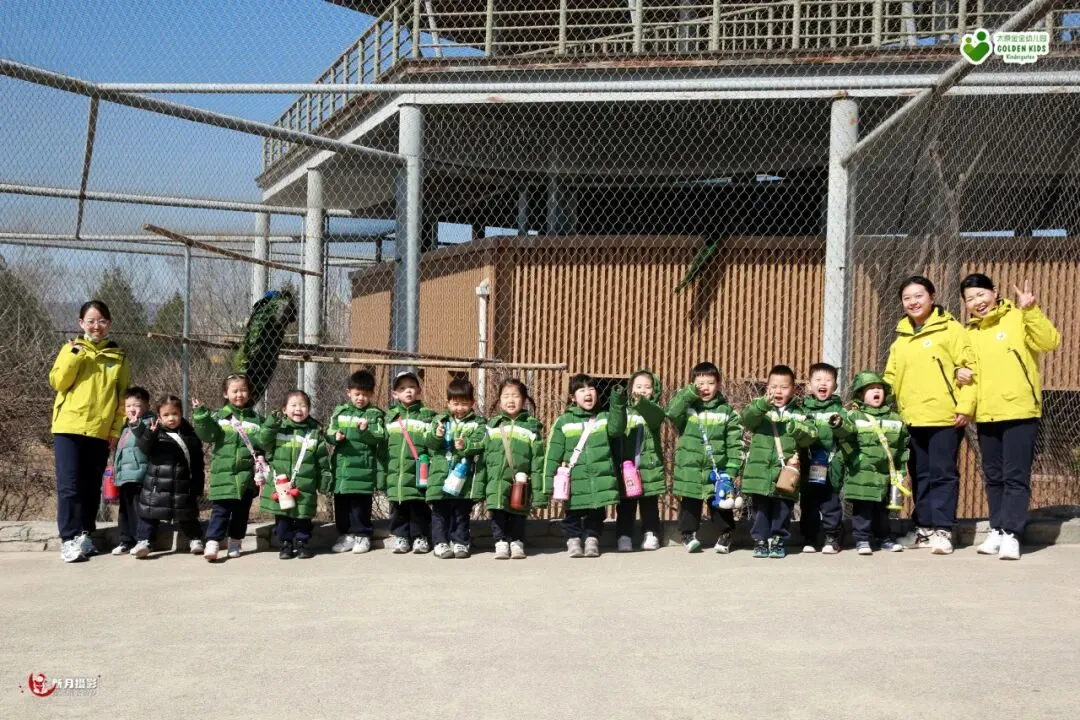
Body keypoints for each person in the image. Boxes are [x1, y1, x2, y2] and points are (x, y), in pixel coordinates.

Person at [958, 274, 1061, 561]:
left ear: (994, 292)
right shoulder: (970, 333)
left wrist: (1031, 310)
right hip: (987, 413)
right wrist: (958, 371)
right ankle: (998, 528)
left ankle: (1012, 533)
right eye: (970, 299)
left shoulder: (1017, 317)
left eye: (981, 294)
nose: (977, 302)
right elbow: (964, 367)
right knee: (993, 477)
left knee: (1016, 475)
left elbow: (1049, 341)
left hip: (1019, 410)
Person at [883, 276, 977, 555]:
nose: (913, 302)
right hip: (911, 418)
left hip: (945, 417)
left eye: (918, 296)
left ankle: (943, 530)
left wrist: (965, 406)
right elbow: (890, 376)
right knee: (919, 474)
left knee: (942, 473)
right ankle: (923, 528)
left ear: (932, 297)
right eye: (907, 298)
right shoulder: (901, 338)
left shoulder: (951, 329)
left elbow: (970, 368)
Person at [48, 299, 130, 563]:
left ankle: (84, 534)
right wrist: (75, 354)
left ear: (109, 324)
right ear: (81, 323)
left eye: (102, 321)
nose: (97, 326)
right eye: (91, 321)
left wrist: (115, 430)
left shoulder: (118, 356)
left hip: (99, 431)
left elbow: (122, 399)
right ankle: (68, 539)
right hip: (68, 428)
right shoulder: (70, 349)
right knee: (69, 486)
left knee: (91, 486)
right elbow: (58, 382)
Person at [662, 362, 743, 554]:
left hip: (716, 469)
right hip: (690, 468)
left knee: (720, 503)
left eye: (710, 383)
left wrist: (732, 468)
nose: (705, 388)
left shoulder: (726, 412)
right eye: (700, 384)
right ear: (692, 385)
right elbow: (671, 411)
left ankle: (726, 534)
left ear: (719, 384)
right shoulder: (687, 409)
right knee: (690, 503)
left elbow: (734, 442)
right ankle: (688, 535)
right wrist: (689, 393)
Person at [544, 374, 627, 558]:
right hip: (575, 480)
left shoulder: (604, 418)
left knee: (596, 513)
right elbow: (552, 455)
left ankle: (592, 539)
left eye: (591, 389)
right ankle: (573, 540)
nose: (588, 393)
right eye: (582, 390)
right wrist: (547, 484)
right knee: (572, 513)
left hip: (599, 479)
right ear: (573, 397)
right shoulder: (564, 422)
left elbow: (617, 428)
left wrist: (618, 401)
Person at [742, 365, 817, 559]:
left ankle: (778, 539)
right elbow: (747, 419)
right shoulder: (760, 408)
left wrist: (796, 428)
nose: (778, 391)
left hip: (786, 470)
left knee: (783, 507)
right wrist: (762, 405)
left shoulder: (800, 413)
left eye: (784, 387)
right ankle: (760, 540)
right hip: (760, 471)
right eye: (774, 386)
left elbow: (810, 436)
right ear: (767, 388)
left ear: (793, 389)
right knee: (760, 508)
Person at [831, 372, 908, 555]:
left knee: (882, 510)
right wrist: (856, 458)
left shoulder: (895, 418)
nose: (876, 391)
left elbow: (902, 446)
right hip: (862, 472)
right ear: (860, 394)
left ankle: (883, 538)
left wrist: (901, 470)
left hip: (885, 473)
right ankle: (862, 539)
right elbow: (845, 439)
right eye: (871, 389)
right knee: (863, 509)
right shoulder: (854, 416)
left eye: (879, 388)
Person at [192, 373, 266, 562]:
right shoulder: (219, 416)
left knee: (241, 513)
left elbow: (263, 443)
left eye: (243, 390)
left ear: (250, 393)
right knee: (220, 511)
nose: (239, 394)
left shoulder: (257, 420)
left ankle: (235, 542)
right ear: (226, 393)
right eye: (234, 391)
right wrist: (201, 415)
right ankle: (212, 542)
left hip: (246, 476)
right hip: (223, 475)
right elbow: (207, 435)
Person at [129, 395, 206, 559]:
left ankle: (195, 539)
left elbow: (198, 462)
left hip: (182, 483)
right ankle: (144, 541)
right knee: (149, 514)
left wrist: (198, 485)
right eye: (166, 415)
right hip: (156, 483)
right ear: (159, 416)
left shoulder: (190, 434)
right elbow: (144, 448)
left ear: (181, 413)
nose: (171, 418)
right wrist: (150, 434)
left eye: (175, 413)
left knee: (187, 513)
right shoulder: (154, 432)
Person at [259, 391, 332, 560]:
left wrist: (324, 481)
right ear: (284, 409)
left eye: (303, 405)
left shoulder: (314, 433)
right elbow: (263, 440)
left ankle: (302, 543)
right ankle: (285, 543)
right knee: (282, 516)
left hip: (305, 485)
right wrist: (271, 422)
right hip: (281, 484)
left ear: (309, 409)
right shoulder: (278, 430)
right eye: (293, 405)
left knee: (303, 516)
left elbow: (322, 460)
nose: (298, 409)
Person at [481, 379, 545, 560]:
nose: (510, 400)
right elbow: (483, 458)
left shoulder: (531, 427)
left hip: (521, 480)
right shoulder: (492, 426)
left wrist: (540, 493)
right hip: (496, 480)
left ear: (524, 399)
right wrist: (480, 487)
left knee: (518, 513)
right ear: (499, 400)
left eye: (515, 396)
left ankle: (517, 542)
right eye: (506, 396)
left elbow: (538, 461)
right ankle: (500, 542)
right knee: (497, 511)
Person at [424, 378, 486, 559]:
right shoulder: (439, 420)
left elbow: (482, 443)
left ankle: (460, 541)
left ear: (472, 403)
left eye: (464, 403)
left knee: (461, 511)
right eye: (456, 403)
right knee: (439, 511)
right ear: (448, 403)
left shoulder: (478, 423)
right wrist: (436, 436)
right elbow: (428, 443)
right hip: (441, 474)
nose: (460, 408)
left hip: (463, 476)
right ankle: (440, 542)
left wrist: (466, 445)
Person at [327, 370, 386, 555]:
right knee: (342, 505)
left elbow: (379, 436)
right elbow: (329, 431)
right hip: (343, 469)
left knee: (360, 505)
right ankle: (346, 535)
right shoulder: (340, 412)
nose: (361, 398)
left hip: (363, 469)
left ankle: (362, 535)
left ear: (372, 394)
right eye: (357, 394)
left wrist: (365, 432)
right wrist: (334, 436)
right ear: (349, 392)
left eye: (366, 394)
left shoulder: (374, 414)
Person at [615, 370, 669, 552]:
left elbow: (655, 418)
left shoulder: (654, 411)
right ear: (631, 389)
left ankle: (651, 533)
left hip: (649, 466)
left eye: (647, 387)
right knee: (626, 504)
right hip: (627, 466)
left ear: (654, 391)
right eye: (638, 386)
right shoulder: (624, 411)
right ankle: (624, 535)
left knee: (649, 503)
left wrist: (642, 404)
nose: (642, 390)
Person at [383, 371, 437, 554]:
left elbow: (432, 445)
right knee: (398, 506)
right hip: (396, 473)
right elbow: (383, 446)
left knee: (417, 505)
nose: (408, 391)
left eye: (412, 387)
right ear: (394, 394)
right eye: (402, 388)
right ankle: (401, 537)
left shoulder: (427, 416)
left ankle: (420, 537)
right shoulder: (389, 418)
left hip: (417, 472)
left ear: (419, 390)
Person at [799, 363, 846, 554]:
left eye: (828, 380)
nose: (823, 383)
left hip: (831, 465)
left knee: (830, 503)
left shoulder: (839, 410)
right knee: (808, 503)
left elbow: (846, 433)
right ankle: (809, 537)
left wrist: (841, 424)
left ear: (835, 386)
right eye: (818, 379)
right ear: (809, 385)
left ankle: (832, 537)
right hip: (808, 465)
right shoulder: (802, 410)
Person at [111, 386, 154, 556]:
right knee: (124, 509)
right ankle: (125, 540)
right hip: (125, 476)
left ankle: (142, 540)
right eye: (128, 406)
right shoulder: (124, 427)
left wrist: (137, 425)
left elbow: (146, 440)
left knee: (138, 508)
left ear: (147, 406)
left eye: (136, 405)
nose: (132, 409)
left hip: (140, 474)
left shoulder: (148, 423)